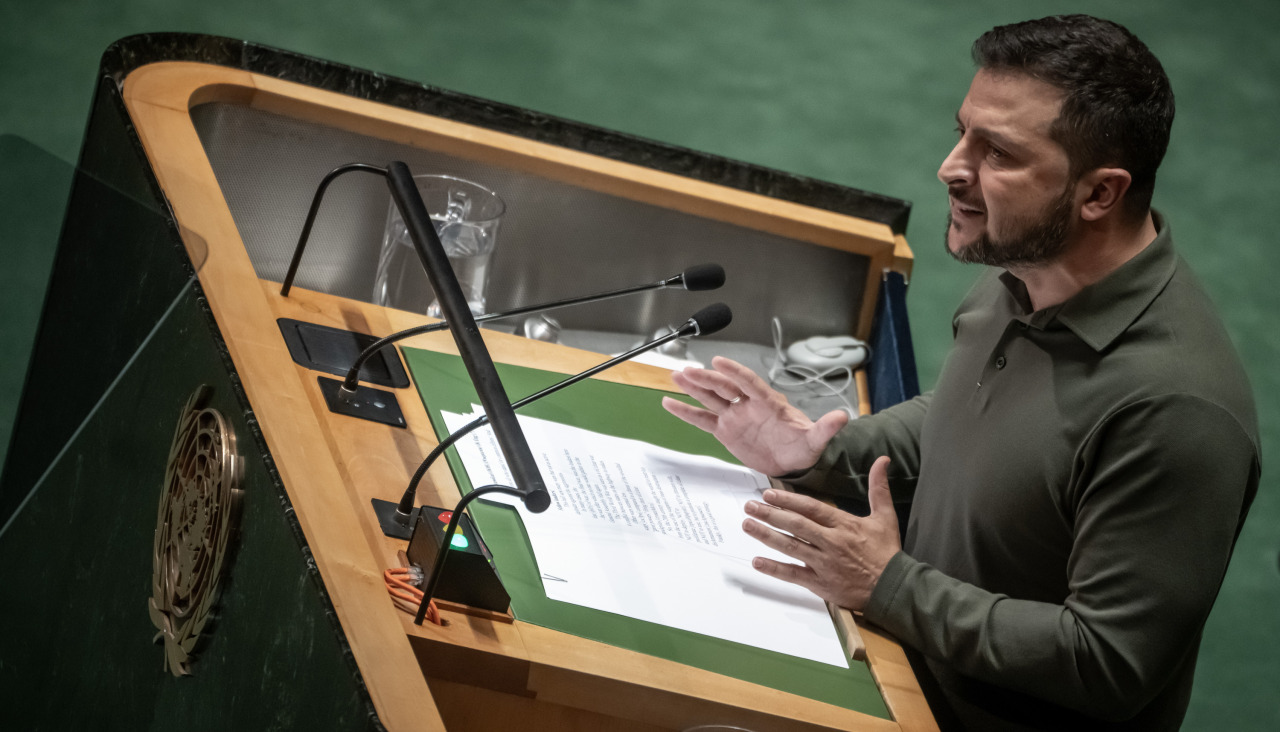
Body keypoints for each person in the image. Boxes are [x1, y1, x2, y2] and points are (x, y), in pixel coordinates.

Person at [662, 14, 1259, 731]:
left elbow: (1108, 662)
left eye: (997, 153)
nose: (951, 167)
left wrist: (889, 585)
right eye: (962, 133)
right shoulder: (1027, 273)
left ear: (1100, 194)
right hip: (899, 663)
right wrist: (823, 453)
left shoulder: (1177, 411)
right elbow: (973, 416)